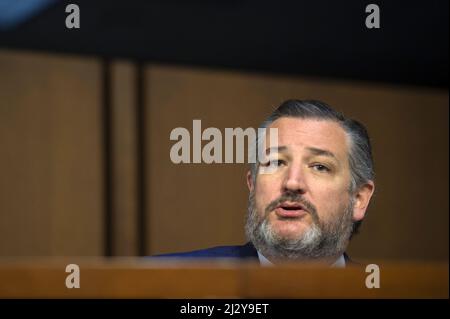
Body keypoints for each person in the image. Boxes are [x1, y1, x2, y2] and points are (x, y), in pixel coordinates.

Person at [156, 100, 375, 267]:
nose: (292, 182)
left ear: (358, 199)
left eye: (319, 166)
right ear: (252, 186)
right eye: (276, 162)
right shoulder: (162, 283)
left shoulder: (392, 291)